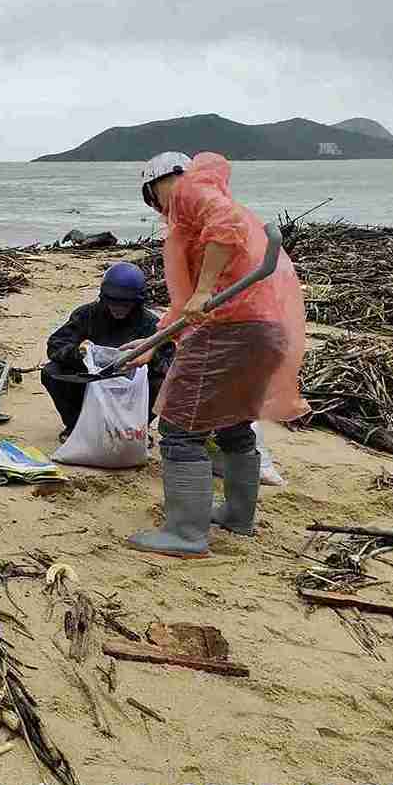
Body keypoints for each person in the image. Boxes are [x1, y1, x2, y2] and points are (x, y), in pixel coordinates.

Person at [125, 151, 307, 558]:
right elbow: (182, 309)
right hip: (264, 331)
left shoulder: (191, 190)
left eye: (151, 197)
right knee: (233, 426)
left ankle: (186, 534)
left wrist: (206, 290)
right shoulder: (192, 215)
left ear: (156, 184)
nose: (157, 208)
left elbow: (226, 227)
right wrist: (149, 347)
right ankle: (237, 516)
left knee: (178, 429)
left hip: (228, 331)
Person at [42, 262, 174, 438]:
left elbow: (170, 362)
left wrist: (150, 357)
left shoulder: (150, 323)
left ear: (137, 302)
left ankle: (137, 428)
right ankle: (75, 425)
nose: (118, 309)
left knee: (165, 382)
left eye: (125, 304)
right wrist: (78, 352)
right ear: (104, 298)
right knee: (51, 372)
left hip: (129, 391)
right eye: (113, 303)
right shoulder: (86, 315)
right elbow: (56, 344)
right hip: (90, 383)